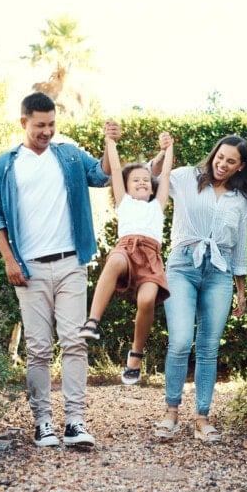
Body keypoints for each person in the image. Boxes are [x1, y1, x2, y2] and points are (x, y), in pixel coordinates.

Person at [0, 91, 120, 448]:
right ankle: (43, 422)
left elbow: (102, 175)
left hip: (70, 263)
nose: (47, 131)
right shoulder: (5, 165)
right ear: (23, 122)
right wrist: (9, 260)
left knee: (75, 343)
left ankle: (75, 421)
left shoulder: (69, 155)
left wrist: (110, 145)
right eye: (40, 125)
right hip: (29, 270)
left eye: (52, 124)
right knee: (40, 348)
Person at [149, 133, 247, 442]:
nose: (222, 164)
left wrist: (241, 291)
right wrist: (163, 153)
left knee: (209, 347)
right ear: (213, 154)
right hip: (182, 267)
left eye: (231, 161)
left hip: (220, 272)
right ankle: (171, 413)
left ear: (240, 167)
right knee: (180, 341)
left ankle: (201, 418)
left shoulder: (240, 202)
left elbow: (240, 249)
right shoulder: (187, 177)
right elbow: (152, 179)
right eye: (220, 157)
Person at [78, 133, 174, 385]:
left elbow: (164, 175)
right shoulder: (124, 203)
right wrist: (110, 141)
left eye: (145, 180)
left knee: (147, 299)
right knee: (116, 261)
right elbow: (116, 167)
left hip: (151, 257)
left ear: (152, 187)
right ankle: (92, 320)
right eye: (135, 180)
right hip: (127, 249)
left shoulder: (158, 205)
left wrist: (168, 149)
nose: (142, 182)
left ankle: (136, 353)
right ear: (126, 186)